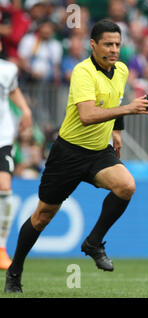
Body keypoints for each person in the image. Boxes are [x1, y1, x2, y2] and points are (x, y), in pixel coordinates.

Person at [4, 19, 148, 293]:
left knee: (126, 186)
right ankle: (15, 271)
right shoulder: (83, 72)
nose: (114, 49)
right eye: (108, 44)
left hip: (99, 152)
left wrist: (117, 131)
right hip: (68, 153)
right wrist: (126, 113)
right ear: (93, 44)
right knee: (42, 216)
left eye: (118, 44)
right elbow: (86, 116)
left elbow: (117, 101)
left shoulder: (120, 70)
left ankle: (93, 242)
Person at [0, 40, 33, 270]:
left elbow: (13, 90)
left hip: (2, 137)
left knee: (4, 186)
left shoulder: (8, 69)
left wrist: (26, 109)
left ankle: (1, 248)